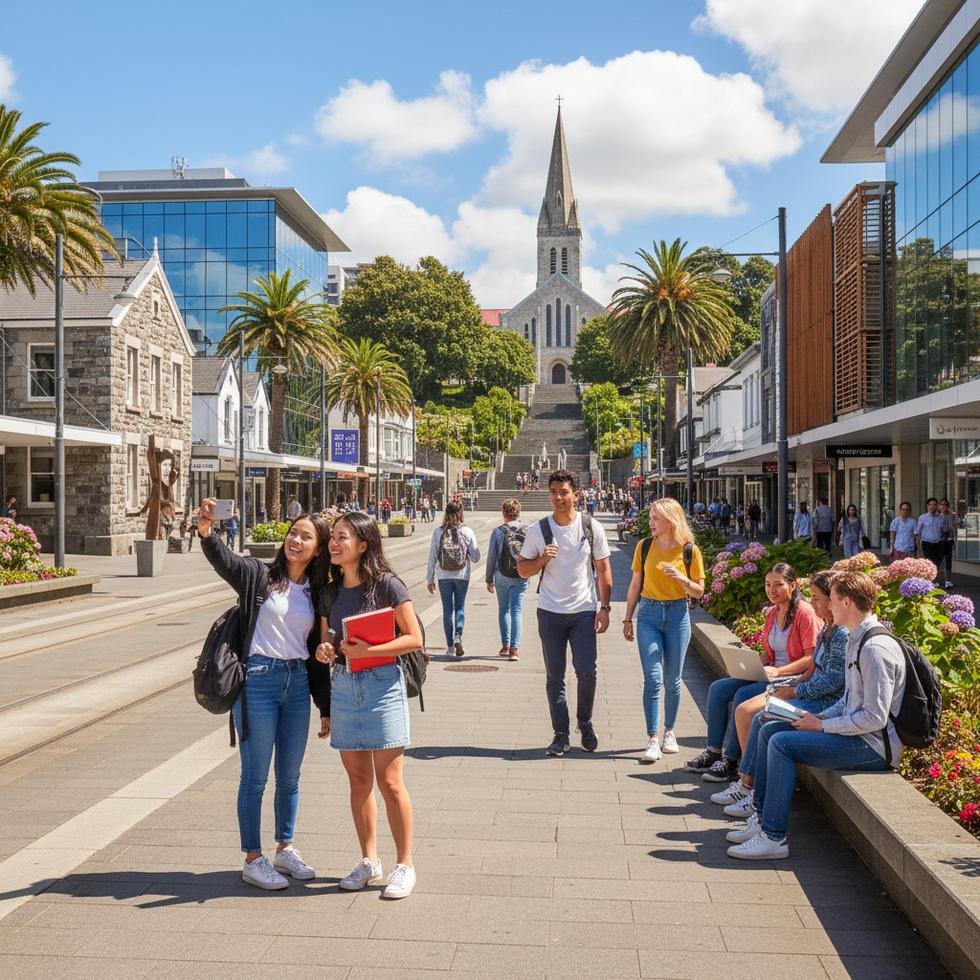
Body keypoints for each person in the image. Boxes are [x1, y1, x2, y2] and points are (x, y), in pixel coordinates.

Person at [197, 499, 331, 890]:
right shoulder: (258, 575)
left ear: (318, 548)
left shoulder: (318, 590)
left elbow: (317, 653)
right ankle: (253, 858)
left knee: (290, 775)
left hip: (297, 685)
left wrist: (324, 706)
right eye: (293, 533)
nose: (295, 540)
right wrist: (206, 529)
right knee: (255, 776)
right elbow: (225, 559)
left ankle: (284, 848)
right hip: (258, 680)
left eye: (306, 536)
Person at [727, 570, 906, 860]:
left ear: (846, 602)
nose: (826, 606)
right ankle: (761, 818)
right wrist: (819, 720)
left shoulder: (875, 649)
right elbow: (849, 700)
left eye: (831, 600)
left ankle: (774, 837)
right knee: (772, 727)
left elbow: (875, 718)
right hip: (855, 733)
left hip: (871, 747)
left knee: (781, 743)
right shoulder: (858, 640)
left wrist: (823, 727)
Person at [314, 511, 422, 899]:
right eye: (334, 538)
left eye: (343, 537)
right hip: (344, 685)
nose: (335, 543)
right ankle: (369, 860)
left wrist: (372, 648)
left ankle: (405, 865)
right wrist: (325, 649)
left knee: (390, 782)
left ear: (363, 544)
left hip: (382, 686)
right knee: (358, 781)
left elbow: (413, 639)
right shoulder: (329, 591)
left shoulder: (388, 585)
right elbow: (326, 640)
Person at [712, 570, 848, 827]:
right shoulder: (828, 627)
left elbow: (831, 682)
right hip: (801, 687)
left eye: (818, 598)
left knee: (761, 717)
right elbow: (813, 671)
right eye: (767, 584)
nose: (814, 602)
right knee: (743, 702)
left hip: (823, 703)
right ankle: (742, 778)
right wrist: (791, 683)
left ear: (835, 600)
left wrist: (793, 689)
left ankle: (749, 787)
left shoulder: (837, 631)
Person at [687, 563, 820, 784]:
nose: (772, 590)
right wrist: (751, 664)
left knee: (743, 695)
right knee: (719, 688)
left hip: (790, 677)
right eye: (768, 585)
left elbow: (810, 658)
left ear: (793, 585)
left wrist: (778, 670)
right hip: (770, 672)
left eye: (778, 585)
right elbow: (770, 653)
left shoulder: (804, 613)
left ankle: (731, 761)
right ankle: (713, 752)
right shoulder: (773, 613)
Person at [517, 469, 612, 756]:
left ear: (576, 494)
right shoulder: (538, 530)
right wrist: (543, 559)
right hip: (550, 612)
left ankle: (585, 721)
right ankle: (560, 733)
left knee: (587, 672)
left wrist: (604, 607)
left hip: (583, 610)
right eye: (554, 492)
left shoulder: (590, 526)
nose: (558, 497)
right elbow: (522, 569)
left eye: (564, 492)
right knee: (554, 676)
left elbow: (604, 569)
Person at [623, 497, 705, 762]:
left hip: (677, 614)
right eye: (650, 518)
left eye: (656, 518)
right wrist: (627, 618)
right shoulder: (644, 546)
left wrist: (680, 578)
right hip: (647, 614)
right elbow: (635, 583)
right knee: (653, 678)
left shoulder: (689, 550)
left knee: (673, 679)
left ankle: (670, 731)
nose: (651, 522)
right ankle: (653, 738)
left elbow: (699, 591)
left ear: (671, 520)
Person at [426, 502, 481, 657]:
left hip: (443, 576)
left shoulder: (438, 532)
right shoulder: (467, 531)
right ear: (461, 513)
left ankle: (450, 647)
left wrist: (430, 579)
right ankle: (458, 636)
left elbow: (432, 557)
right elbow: (476, 557)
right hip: (462, 575)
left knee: (447, 611)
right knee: (460, 608)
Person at [485, 498, 528, 662]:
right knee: (517, 610)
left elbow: (492, 557)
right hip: (521, 574)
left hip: (501, 574)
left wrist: (489, 578)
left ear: (504, 513)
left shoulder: (498, 532)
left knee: (504, 609)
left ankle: (505, 646)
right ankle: (514, 650)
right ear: (518, 512)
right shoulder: (527, 529)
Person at [915, 497, 945, 582]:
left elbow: (944, 530)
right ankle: (929, 581)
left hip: (938, 544)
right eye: (930, 505)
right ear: (927, 506)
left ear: (937, 506)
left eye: (934, 504)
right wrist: (918, 548)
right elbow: (918, 532)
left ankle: (935, 580)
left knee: (937, 564)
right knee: (929, 563)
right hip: (927, 544)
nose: (932, 506)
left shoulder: (941, 518)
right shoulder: (922, 518)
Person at [939, 498, 955, 589]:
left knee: (948, 560)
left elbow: (957, 525)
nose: (943, 506)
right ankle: (936, 580)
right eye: (941, 504)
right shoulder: (937, 516)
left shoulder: (952, 515)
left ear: (948, 506)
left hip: (949, 540)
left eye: (945, 504)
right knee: (938, 561)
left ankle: (947, 581)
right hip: (940, 540)